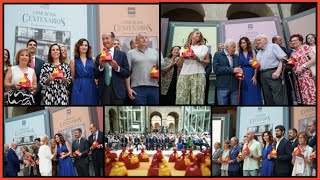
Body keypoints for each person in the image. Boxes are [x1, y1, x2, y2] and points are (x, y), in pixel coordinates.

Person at [176, 30, 210, 104]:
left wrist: (197, 58)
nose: (199, 35)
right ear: (191, 35)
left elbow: (207, 62)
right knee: (181, 98)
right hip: (184, 74)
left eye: (200, 34)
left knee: (198, 99)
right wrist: (182, 57)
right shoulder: (183, 48)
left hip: (198, 74)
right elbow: (179, 65)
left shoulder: (203, 47)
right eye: (197, 33)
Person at [95, 33, 130, 105]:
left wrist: (117, 67)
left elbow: (127, 73)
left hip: (118, 90)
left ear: (113, 39)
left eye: (107, 38)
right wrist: (101, 67)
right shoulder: (99, 57)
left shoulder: (122, 54)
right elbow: (95, 75)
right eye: (103, 39)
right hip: (104, 89)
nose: (105, 41)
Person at [126, 32, 159, 105]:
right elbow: (127, 72)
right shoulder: (130, 53)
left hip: (154, 87)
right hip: (137, 87)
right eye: (141, 37)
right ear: (137, 40)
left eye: (146, 37)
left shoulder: (155, 52)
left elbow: (162, 67)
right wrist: (128, 89)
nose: (144, 39)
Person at [255, 34, 288, 105]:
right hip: (262, 75)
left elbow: (284, 58)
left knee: (278, 97)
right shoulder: (259, 53)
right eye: (256, 41)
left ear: (266, 40)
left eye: (259, 40)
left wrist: (278, 71)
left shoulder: (273, 46)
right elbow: (259, 66)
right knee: (267, 97)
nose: (257, 42)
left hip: (273, 72)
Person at [213, 39, 242, 105]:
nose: (235, 49)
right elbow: (216, 69)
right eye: (233, 47)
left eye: (235, 47)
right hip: (223, 87)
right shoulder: (217, 55)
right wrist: (232, 70)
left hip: (235, 87)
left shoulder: (236, 57)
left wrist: (240, 72)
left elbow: (238, 68)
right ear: (226, 47)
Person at [70, 38, 98, 105]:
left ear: (88, 48)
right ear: (78, 47)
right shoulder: (73, 61)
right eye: (82, 45)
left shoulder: (93, 60)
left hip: (91, 87)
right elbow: (73, 77)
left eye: (86, 45)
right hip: (78, 87)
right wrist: (77, 85)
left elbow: (96, 74)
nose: (84, 47)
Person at [289, 34, 316, 105]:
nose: (293, 42)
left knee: (311, 97)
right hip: (298, 79)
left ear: (300, 41)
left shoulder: (305, 48)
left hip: (308, 77)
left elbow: (314, 58)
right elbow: (292, 65)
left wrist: (303, 66)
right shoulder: (293, 53)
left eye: (295, 40)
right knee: (303, 99)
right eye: (291, 41)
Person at [238, 37, 262, 105]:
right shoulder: (238, 53)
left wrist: (255, 76)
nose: (242, 44)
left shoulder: (252, 52)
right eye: (241, 43)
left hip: (251, 74)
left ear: (247, 43)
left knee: (253, 92)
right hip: (243, 76)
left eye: (244, 43)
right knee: (244, 92)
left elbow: (256, 65)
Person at [26, 39, 45, 105]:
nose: (32, 46)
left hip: (37, 94)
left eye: (34, 45)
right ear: (27, 47)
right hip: (23, 92)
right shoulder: (21, 61)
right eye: (30, 45)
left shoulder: (41, 62)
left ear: (36, 48)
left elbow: (42, 77)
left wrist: (36, 90)